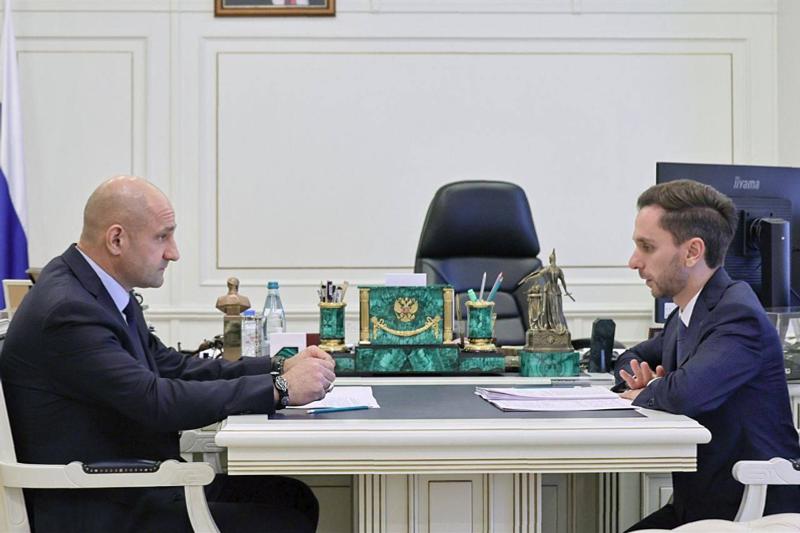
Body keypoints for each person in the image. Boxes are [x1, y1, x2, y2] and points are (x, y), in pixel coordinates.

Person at [0, 175, 337, 532]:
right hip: (99, 504)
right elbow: (154, 400)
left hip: (134, 485)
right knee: (281, 520)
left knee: (293, 498)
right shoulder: (69, 310)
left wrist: (277, 365)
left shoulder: (95, 288)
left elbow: (171, 367)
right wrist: (280, 389)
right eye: (162, 237)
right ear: (116, 239)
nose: (173, 253)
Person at [615, 179, 800, 530]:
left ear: (692, 252)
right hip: (700, 506)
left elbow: (685, 394)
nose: (633, 262)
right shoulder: (686, 314)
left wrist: (651, 388)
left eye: (647, 247)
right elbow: (633, 356)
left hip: (754, 511)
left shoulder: (738, 315)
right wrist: (640, 377)